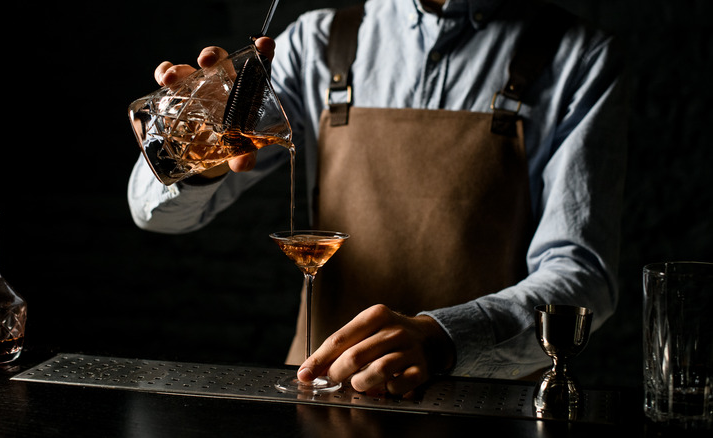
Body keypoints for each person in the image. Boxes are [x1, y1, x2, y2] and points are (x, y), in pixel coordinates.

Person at [128, 0, 627, 397]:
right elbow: (156, 217)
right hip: (320, 396)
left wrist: (445, 339)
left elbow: (582, 277)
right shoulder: (316, 43)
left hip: (482, 408)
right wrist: (191, 146)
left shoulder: (576, 56)